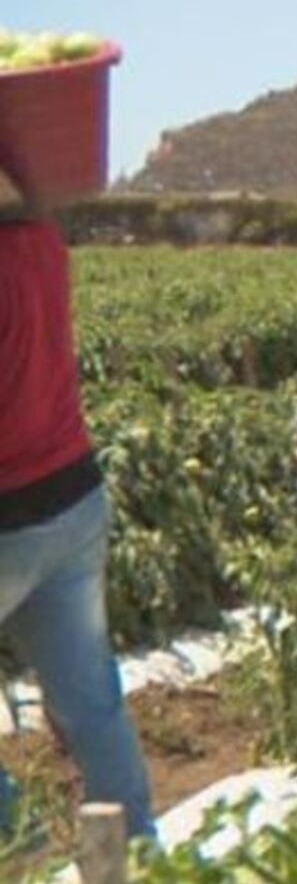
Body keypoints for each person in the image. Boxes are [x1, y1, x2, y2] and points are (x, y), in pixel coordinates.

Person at [0, 176, 155, 845]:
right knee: (92, 703)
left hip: (6, 521)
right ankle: (142, 862)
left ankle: (13, 838)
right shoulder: (44, 244)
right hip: (73, 502)